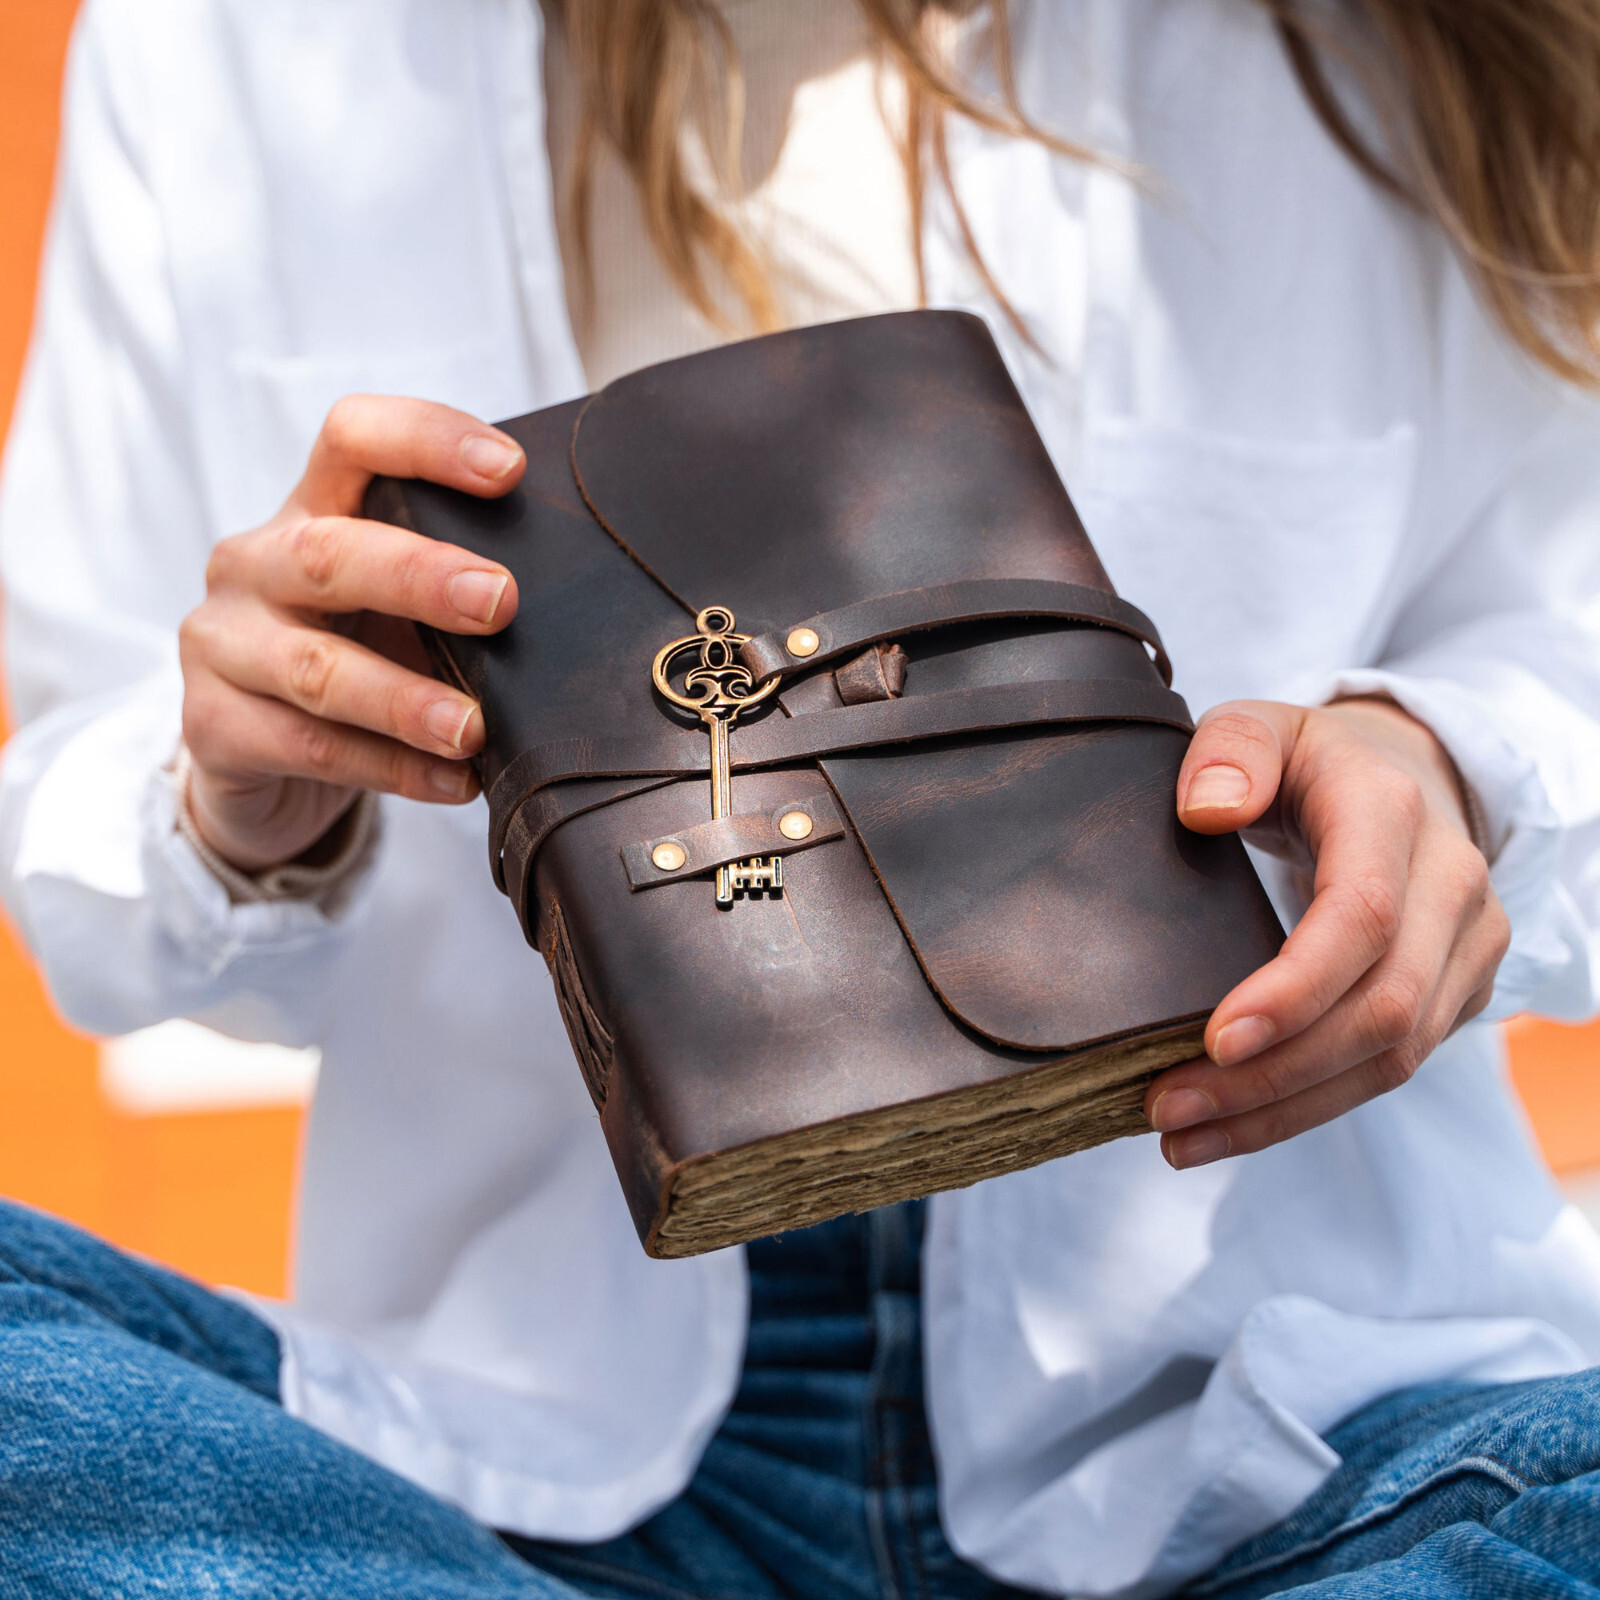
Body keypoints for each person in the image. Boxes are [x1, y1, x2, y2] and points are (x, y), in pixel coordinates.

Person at [1, 0, 1599, 1595]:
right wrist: (236, 810)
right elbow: (81, 814)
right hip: (518, 1486)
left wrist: (1444, 756)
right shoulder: (239, 44)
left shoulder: (1399, 43)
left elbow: (1562, 627)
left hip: (1282, 1444)